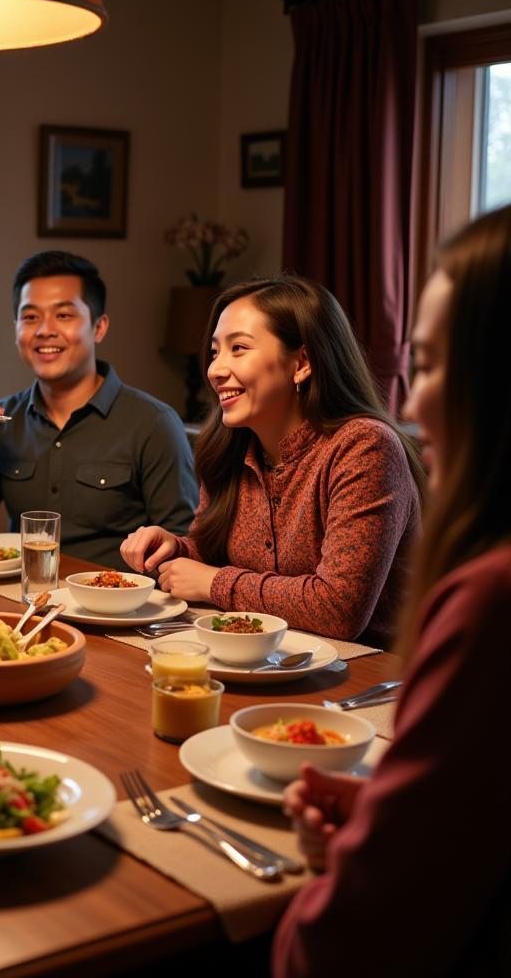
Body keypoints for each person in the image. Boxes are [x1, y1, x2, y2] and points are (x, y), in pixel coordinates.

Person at [273, 205, 511, 976]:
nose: (409, 403)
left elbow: (353, 936)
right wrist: (388, 814)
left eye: (435, 366)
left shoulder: (490, 599)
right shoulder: (238, 450)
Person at [120, 275, 423, 646]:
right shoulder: (228, 445)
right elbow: (210, 554)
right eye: (215, 351)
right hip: (259, 656)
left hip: (366, 675)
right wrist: (174, 549)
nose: (215, 369)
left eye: (239, 348)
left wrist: (214, 583)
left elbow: (339, 610)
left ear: (302, 363)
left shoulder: (364, 447)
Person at [0, 250, 198, 569]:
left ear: (99, 327)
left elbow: (182, 544)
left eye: (64, 315)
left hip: (114, 609)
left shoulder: (153, 423)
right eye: (30, 317)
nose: (44, 330)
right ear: (16, 329)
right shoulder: (0, 419)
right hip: (21, 603)